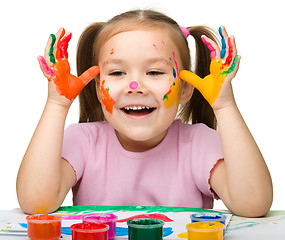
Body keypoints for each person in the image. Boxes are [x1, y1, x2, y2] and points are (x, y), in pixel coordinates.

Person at [16, 9, 273, 217]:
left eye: (155, 72)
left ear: (185, 90)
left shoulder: (198, 143)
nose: (135, 86)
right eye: (117, 73)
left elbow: (253, 205)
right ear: (97, 88)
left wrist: (225, 107)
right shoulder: (83, 141)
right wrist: (57, 106)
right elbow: (36, 202)